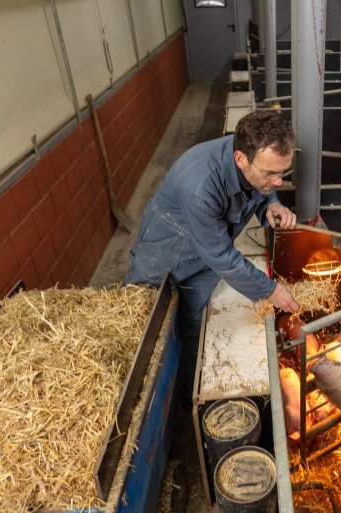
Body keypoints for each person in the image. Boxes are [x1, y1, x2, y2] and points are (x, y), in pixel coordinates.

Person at [124, 110, 300, 399]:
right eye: (271, 174)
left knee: (193, 322)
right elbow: (220, 255)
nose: (279, 181)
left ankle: (188, 392)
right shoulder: (200, 185)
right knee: (150, 334)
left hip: (204, 250)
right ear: (241, 159)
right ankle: (159, 400)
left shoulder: (249, 157)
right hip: (166, 251)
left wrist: (270, 204)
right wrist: (270, 290)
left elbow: (258, 188)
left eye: (283, 172)